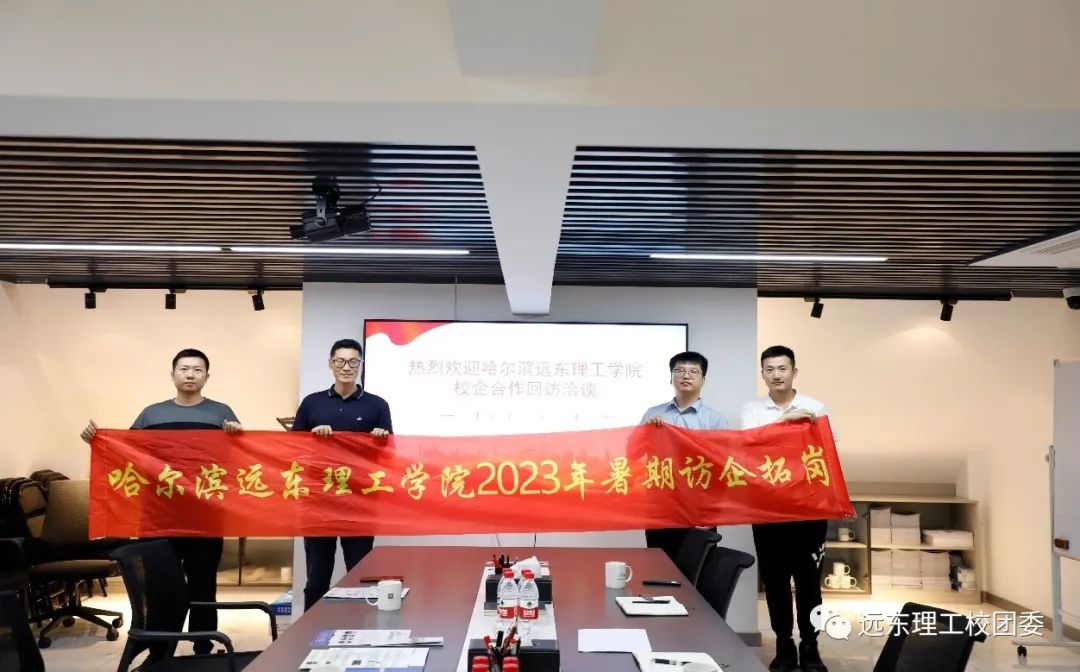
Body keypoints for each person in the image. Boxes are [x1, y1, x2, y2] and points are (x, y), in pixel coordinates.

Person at [80, 348, 241, 655]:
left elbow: (238, 462)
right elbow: (124, 452)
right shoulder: (151, 414)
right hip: (157, 516)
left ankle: (203, 648)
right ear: (173, 374)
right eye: (184, 369)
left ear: (207, 376)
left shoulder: (222, 413)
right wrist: (96, 440)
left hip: (204, 516)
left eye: (197, 370)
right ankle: (159, 651)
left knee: (203, 586)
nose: (190, 374)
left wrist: (236, 435)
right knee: (158, 586)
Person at [741, 345, 836, 672]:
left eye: (782, 368)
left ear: (794, 371)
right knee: (775, 582)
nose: (776, 375)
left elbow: (827, 452)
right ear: (762, 374)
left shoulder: (815, 407)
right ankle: (784, 645)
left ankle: (811, 646)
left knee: (809, 583)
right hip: (767, 511)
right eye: (769, 369)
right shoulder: (752, 409)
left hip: (809, 510)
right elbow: (750, 447)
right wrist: (787, 421)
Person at [292, 338, 392, 611]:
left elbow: (389, 456)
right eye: (340, 361)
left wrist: (381, 439)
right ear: (330, 364)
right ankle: (309, 630)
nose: (346, 367)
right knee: (317, 578)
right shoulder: (312, 403)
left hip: (359, 502)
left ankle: (359, 627)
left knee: (359, 574)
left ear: (361, 365)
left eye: (353, 362)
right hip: (319, 502)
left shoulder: (377, 405)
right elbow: (293, 448)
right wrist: (313, 438)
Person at [639, 351, 729, 562]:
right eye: (679, 370)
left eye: (693, 371)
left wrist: (713, 513)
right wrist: (646, 432)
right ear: (671, 377)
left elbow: (722, 469)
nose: (685, 375)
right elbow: (633, 454)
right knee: (660, 568)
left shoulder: (715, 420)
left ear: (703, 380)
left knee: (698, 571)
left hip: (699, 510)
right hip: (661, 508)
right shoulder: (653, 414)